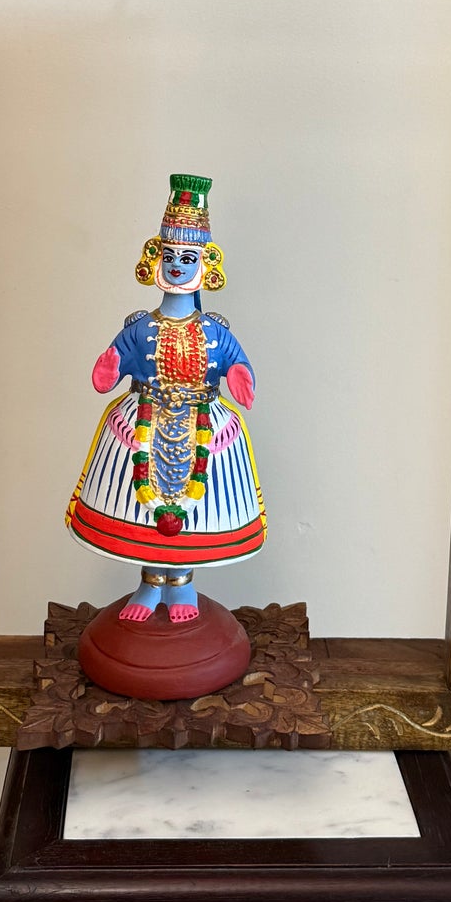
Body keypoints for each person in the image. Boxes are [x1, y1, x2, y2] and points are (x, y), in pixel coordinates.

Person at [66, 174, 266, 623]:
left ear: (204, 264)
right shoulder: (140, 328)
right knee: (140, 506)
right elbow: (114, 361)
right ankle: (150, 584)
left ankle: (182, 586)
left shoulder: (215, 332)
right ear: (156, 259)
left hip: (203, 426)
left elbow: (236, 361)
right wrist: (112, 365)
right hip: (143, 420)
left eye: (187, 257)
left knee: (195, 511)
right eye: (171, 256)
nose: (177, 265)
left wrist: (238, 373)